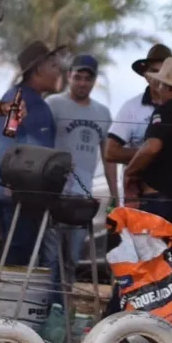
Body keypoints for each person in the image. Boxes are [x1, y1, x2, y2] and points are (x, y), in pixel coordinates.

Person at [124, 58, 172, 326]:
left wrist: (130, 172)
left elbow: (152, 147)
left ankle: (123, 321)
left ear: (167, 87)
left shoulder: (167, 111)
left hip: (159, 201)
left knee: (143, 265)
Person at [46, 54, 117, 301]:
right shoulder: (54, 104)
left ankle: (62, 307)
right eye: (78, 77)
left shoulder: (102, 112)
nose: (82, 83)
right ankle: (47, 306)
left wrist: (113, 194)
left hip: (82, 197)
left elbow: (108, 156)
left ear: (93, 81)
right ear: (69, 77)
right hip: (55, 193)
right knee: (51, 257)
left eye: (88, 78)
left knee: (72, 258)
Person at [0, 41, 63, 265]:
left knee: (35, 256)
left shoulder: (41, 105)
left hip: (37, 195)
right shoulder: (17, 99)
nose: (59, 70)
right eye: (54, 66)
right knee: (18, 255)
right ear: (39, 70)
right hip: (17, 195)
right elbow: (6, 144)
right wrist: (9, 185)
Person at [104, 44, 172, 204]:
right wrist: (148, 154)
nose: (159, 77)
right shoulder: (131, 108)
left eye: (164, 71)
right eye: (154, 71)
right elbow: (110, 152)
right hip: (141, 196)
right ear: (146, 75)